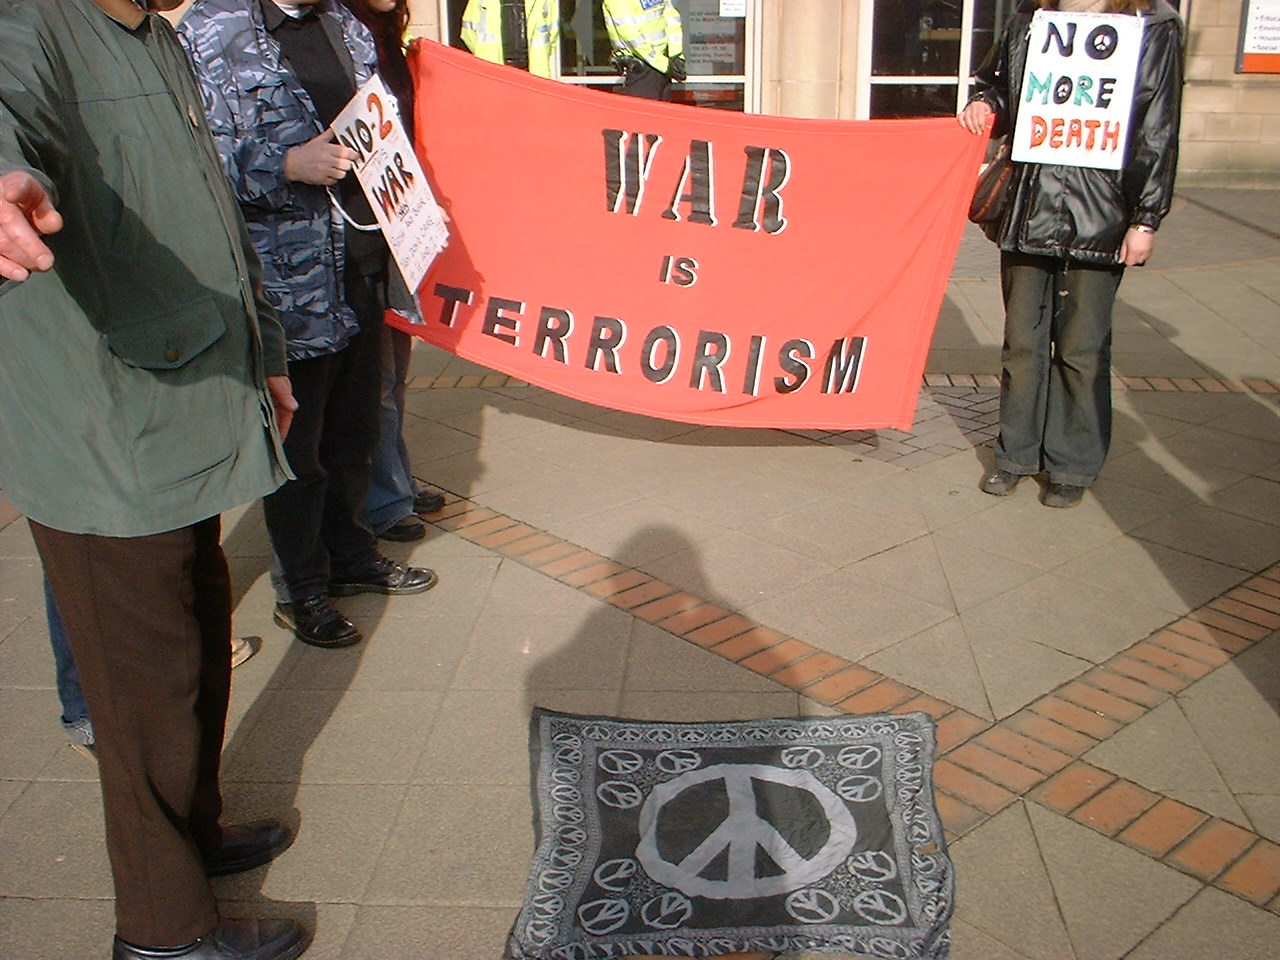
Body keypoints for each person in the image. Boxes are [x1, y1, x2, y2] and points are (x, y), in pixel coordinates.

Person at [0, 1, 308, 957]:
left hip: (184, 406)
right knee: (141, 700)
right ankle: (164, 934)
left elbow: (211, 212)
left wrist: (268, 350)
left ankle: (196, 835)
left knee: (193, 649)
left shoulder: (154, 32)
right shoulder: (30, 20)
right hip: (103, 434)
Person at [180, 0, 439, 650]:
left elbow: (379, 131)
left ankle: (352, 559)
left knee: (354, 432)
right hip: (287, 285)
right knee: (300, 454)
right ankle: (301, 592)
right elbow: (189, 156)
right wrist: (285, 165)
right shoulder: (211, 29)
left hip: (359, 262)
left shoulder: (344, 23)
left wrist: (414, 213)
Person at [958, 0, 1183, 508]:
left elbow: (1158, 125)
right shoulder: (1028, 18)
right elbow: (1000, 83)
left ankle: (1072, 464)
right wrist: (985, 102)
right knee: (1021, 342)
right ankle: (1015, 455)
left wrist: (1147, 217)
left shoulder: (1153, 26)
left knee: (1082, 347)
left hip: (1103, 210)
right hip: (1029, 206)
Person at [339, 0, 447, 544]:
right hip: (358, 231)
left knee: (393, 373)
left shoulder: (390, 41)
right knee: (376, 379)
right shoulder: (338, 31)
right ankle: (384, 500)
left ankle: (393, 480)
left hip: (399, 226)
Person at [603, 0, 685, 100]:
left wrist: (673, 58)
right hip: (653, 66)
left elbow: (631, 36)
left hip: (650, 68)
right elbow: (671, 16)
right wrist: (674, 57)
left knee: (647, 113)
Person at [460, 0, 561, 78]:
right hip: (494, 73)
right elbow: (468, 33)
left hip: (533, 74)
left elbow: (553, 32)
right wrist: (485, 52)